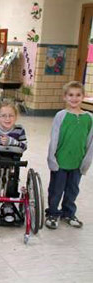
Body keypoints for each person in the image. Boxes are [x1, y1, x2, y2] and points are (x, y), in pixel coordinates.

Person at [45, 81, 93, 229]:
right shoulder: (61, 115)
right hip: (61, 161)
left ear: (83, 97)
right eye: (70, 95)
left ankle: (68, 213)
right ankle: (53, 213)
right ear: (65, 97)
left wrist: (86, 162)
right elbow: (54, 137)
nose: (74, 98)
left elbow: (90, 141)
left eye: (78, 95)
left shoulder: (89, 118)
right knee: (56, 189)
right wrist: (52, 158)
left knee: (73, 189)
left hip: (77, 161)